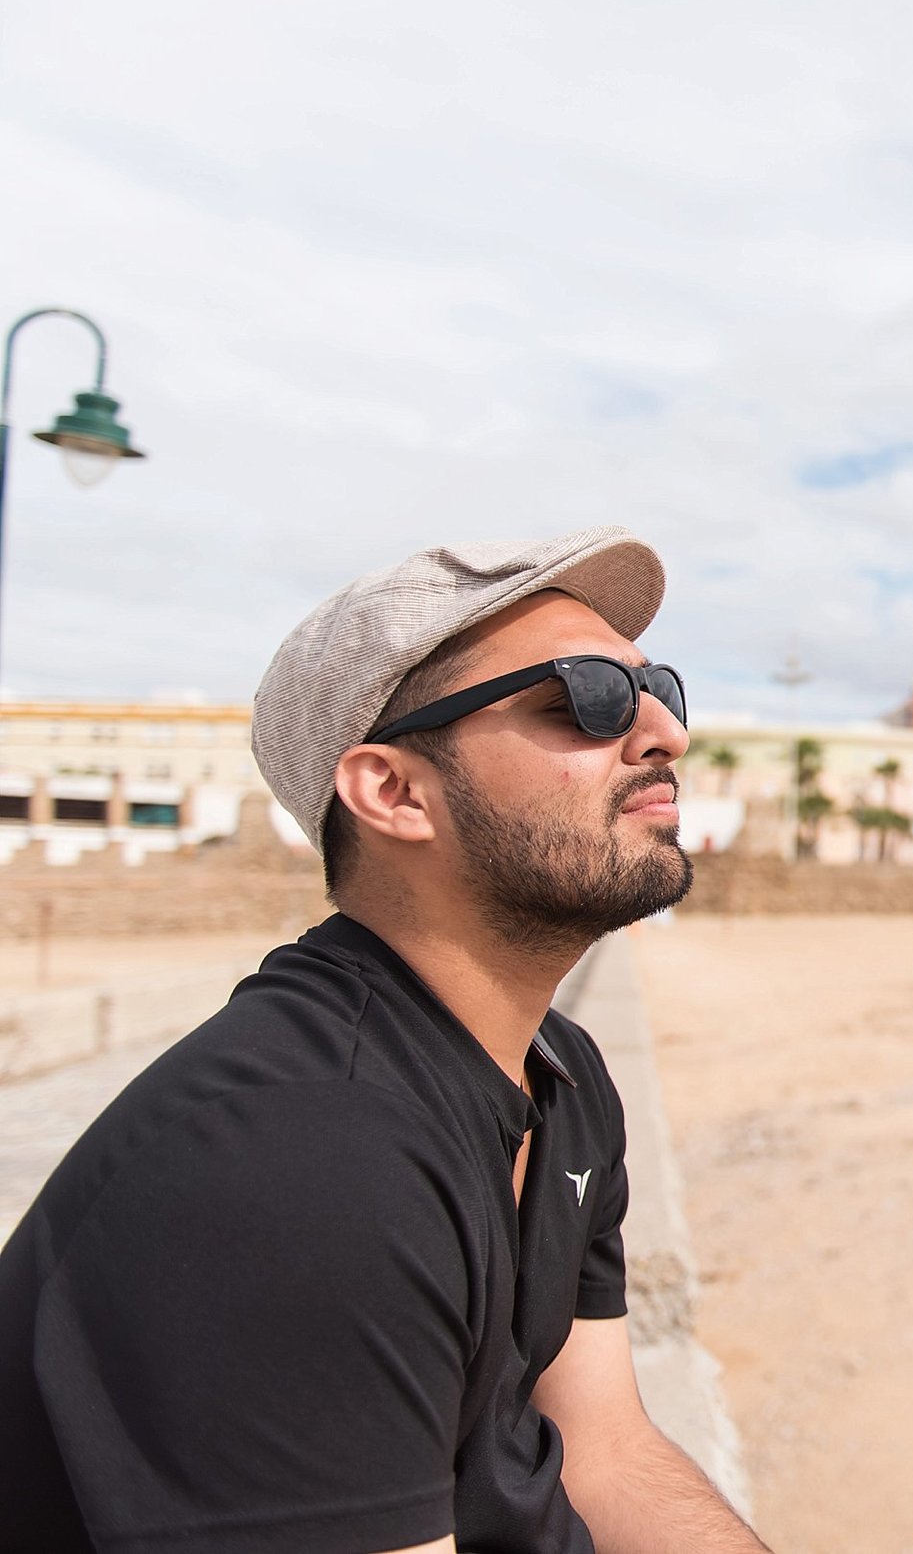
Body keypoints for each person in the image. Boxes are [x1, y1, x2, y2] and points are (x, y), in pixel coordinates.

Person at [0, 528, 770, 1554]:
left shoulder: (563, 1077)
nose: (664, 732)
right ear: (395, 793)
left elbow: (605, 1447)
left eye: (660, 688)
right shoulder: (299, 1156)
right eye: (587, 696)